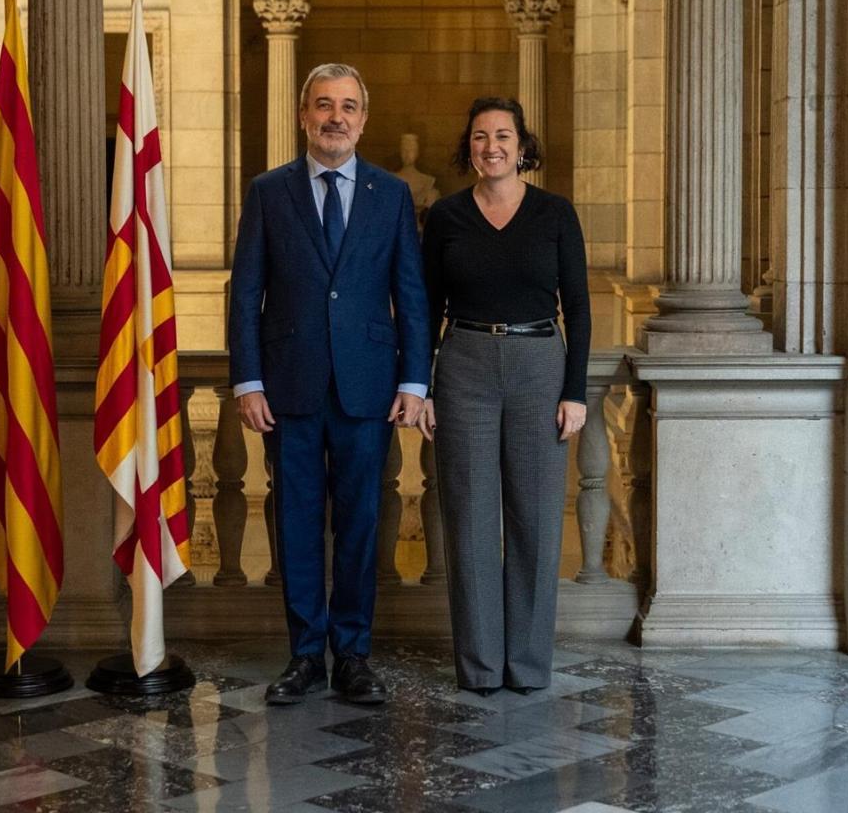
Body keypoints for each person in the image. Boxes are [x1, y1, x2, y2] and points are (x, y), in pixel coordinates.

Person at [228, 63, 431, 705]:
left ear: (363, 120)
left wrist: (415, 379)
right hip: (288, 384)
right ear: (303, 115)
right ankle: (304, 655)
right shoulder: (268, 191)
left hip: (368, 387)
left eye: (347, 106)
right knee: (295, 521)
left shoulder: (390, 195)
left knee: (362, 522)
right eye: (323, 105)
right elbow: (246, 294)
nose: (335, 117)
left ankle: (353, 654)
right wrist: (247, 380)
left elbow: (412, 293)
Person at [419, 97, 589, 695]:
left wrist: (575, 391)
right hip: (462, 365)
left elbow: (581, 307)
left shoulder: (556, 213)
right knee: (467, 517)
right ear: (469, 147)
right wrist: (425, 385)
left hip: (541, 364)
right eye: (480, 136)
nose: (491, 145)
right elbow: (426, 308)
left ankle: (527, 664)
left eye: (503, 135)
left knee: (537, 520)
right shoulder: (444, 217)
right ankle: (481, 666)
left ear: (523, 147)